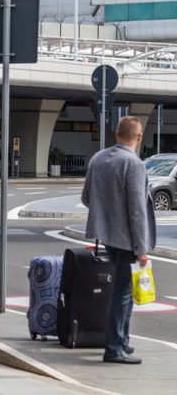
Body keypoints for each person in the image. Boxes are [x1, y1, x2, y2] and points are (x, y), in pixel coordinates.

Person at [82, 116, 157, 365]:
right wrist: (141, 248)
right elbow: (137, 210)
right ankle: (114, 347)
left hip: (107, 235)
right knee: (122, 293)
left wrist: (107, 211)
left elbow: (86, 198)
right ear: (139, 137)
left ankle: (122, 341)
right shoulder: (134, 164)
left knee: (124, 290)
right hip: (127, 239)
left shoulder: (98, 158)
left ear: (116, 134)